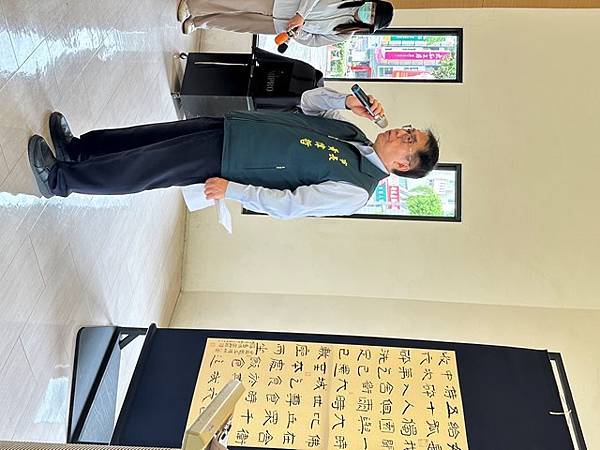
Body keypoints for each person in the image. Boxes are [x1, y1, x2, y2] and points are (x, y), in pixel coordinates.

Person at [27, 87, 439, 219]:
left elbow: (290, 206)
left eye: (409, 140)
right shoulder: (354, 133)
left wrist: (234, 190)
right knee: (146, 138)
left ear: (403, 166)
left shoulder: (357, 191)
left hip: (231, 162)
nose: (401, 133)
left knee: (145, 166)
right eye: (408, 129)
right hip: (236, 128)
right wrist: (346, 102)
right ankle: (77, 150)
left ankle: (62, 180)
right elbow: (308, 103)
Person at [177, 0, 394, 47]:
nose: (369, 12)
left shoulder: (344, 35)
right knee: (234, 3)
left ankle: (199, 22)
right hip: (280, 4)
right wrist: (301, 14)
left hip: (279, 27)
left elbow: (314, 41)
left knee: (236, 23)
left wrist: (298, 33)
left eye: (372, 17)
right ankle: (193, 5)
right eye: (373, 7)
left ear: (369, 26)